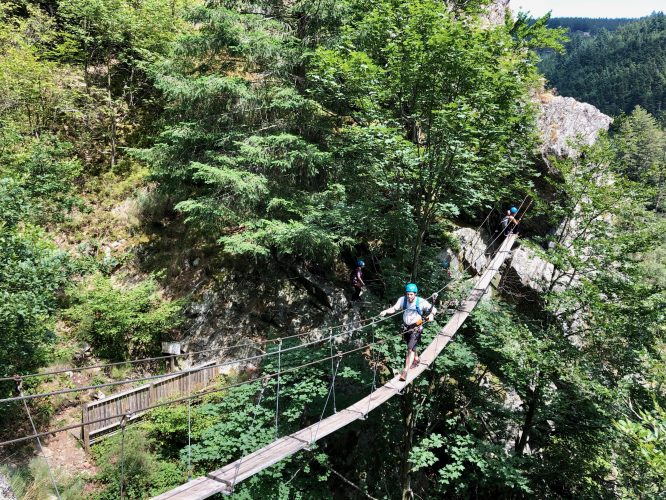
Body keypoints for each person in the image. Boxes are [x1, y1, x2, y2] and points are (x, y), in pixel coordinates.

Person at [379, 283, 436, 381]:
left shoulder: (421, 302)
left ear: (415, 294)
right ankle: (416, 359)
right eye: (408, 294)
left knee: (410, 349)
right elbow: (394, 308)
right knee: (411, 347)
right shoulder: (402, 300)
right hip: (406, 328)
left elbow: (434, 309)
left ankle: (405, 371)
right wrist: (385, 311)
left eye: (411, 294)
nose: (409, 296)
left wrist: (431, 315)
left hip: (416, 328)